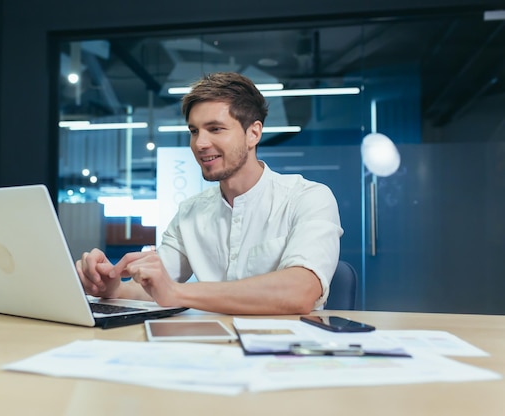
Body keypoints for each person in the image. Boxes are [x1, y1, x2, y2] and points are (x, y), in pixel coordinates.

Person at [76, 72, 343, 315]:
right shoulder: (190, 212)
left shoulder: (308, 198)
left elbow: (301, 292)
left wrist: (176, 292)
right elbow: (152, 288)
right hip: (212, 348)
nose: (200, 144)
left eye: (215, 129)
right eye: (194, 131)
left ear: (253, 133)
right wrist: (113, 289)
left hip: (286, 354)